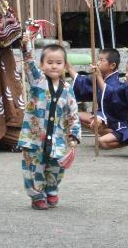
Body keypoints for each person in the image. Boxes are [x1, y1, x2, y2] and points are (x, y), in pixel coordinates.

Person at [18, 33, 81, 210]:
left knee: (56, 166)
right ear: (42, 64)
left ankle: (52, 189)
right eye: (49, 62)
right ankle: (37, 195)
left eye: (58, 63)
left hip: (58, 137)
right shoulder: (37, 79)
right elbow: (28, 62)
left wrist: (74, 134)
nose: (54, 66)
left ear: (64, 66)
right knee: (34, 167)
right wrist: (26, 45)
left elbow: (73, 114)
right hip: (34, 136)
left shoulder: (68, 89)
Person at [66, 48, 126, 136]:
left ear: (112, 66)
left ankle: (115, 133)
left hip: (114, 120)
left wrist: (99, 117)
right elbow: (83, 82)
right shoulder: (100, 77)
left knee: (74, 115)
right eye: (98, 59)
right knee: (71, 114)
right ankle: (103, 130)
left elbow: (112, 109)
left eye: (101, 60)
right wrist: (68, 67)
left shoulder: (115, 84)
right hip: (101, 116)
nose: (98, 63)